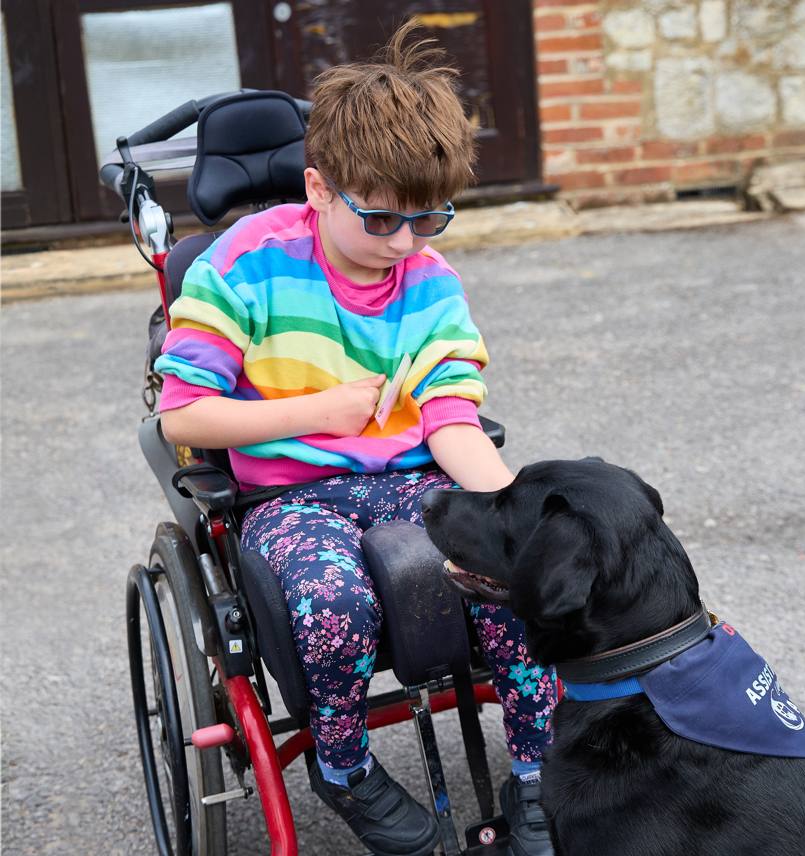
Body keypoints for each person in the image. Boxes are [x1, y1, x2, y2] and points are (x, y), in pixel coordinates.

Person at [156, 23, 555, 856]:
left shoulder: (430, 282)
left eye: (428, 219)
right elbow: (184, 418)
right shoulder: (244, 264)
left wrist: (517, 513)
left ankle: (537, 775)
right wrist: (317, 412)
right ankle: (342, 769)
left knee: (518, 577)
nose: (404, 243)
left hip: (414, 481)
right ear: (319, 188)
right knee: (333, 599)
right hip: (288, 494)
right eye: (380, 219)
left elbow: (451, 420)